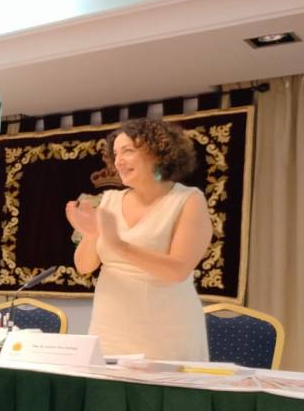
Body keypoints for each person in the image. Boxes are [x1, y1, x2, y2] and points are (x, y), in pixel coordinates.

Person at [64, 118, 211, 359]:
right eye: (115, 154)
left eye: (128, 151)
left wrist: (119, 246)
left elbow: (177, 270)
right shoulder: (108, 200)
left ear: (158, 152)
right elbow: (84, 267)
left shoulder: (188, 200)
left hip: (167, 334)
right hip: (110, 331)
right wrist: (90, 235)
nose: (118, 161)